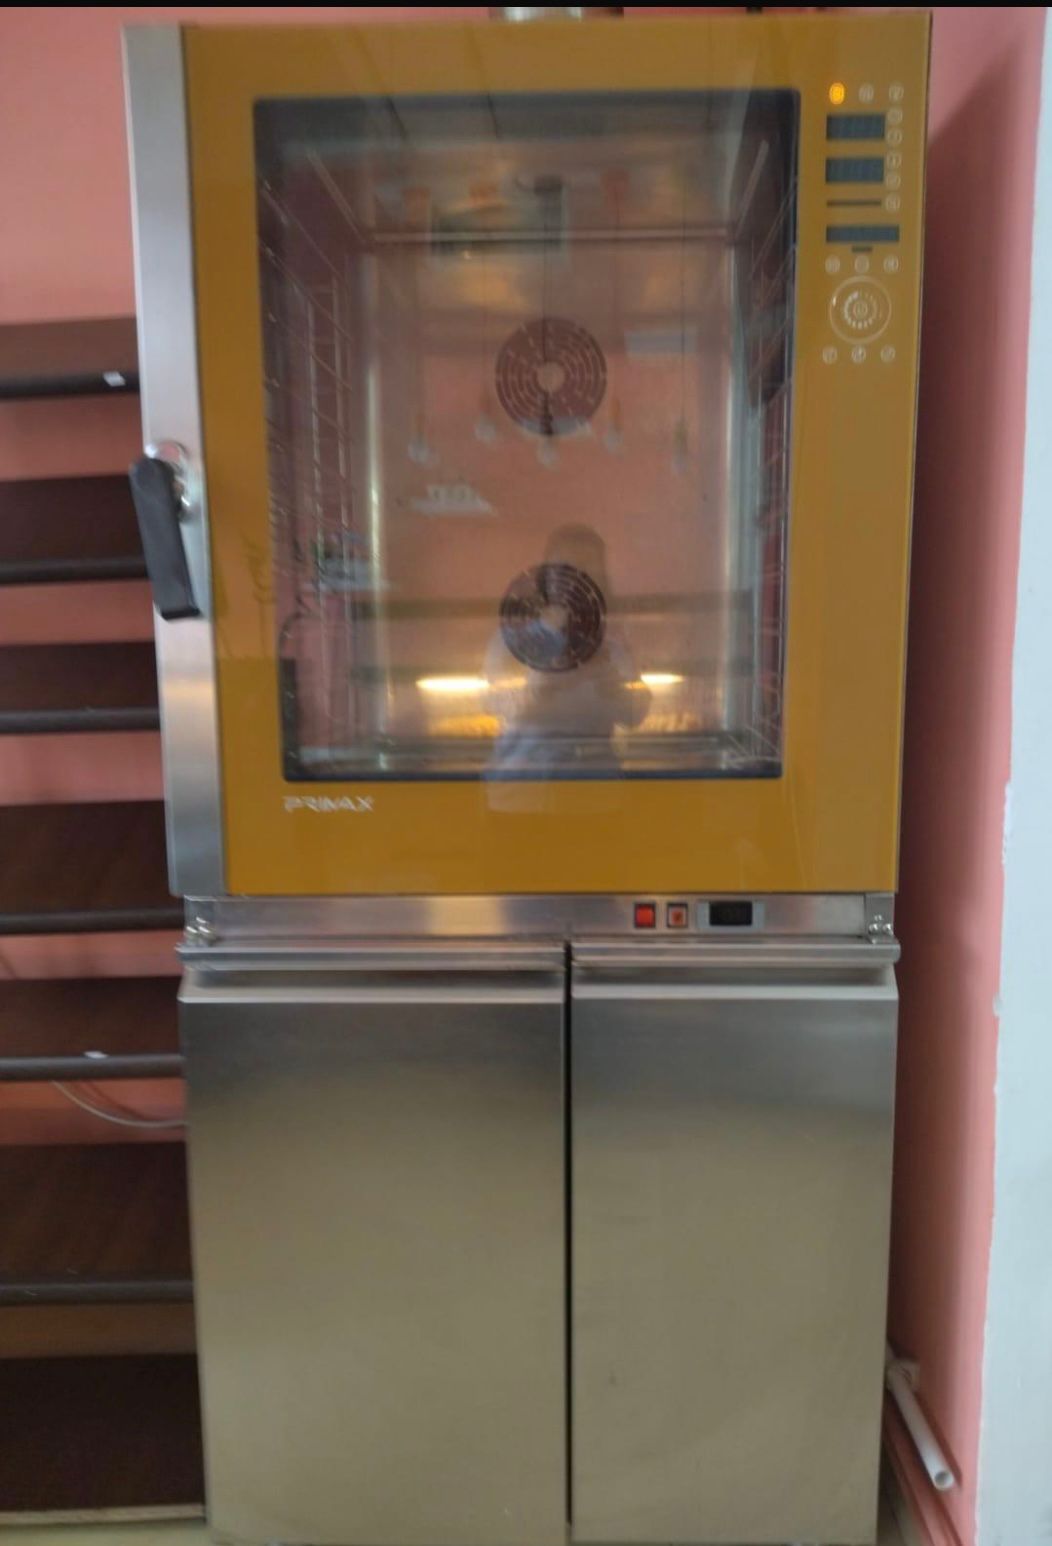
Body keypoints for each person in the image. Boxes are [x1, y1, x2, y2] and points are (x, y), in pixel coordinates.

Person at [485, 523, 650, 780]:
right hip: (526, 773)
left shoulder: (612, 639)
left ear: (599, 580)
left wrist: (615, 692)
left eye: (587, 571)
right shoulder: (515, 636)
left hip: (596, 775)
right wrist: (542, 689)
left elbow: (635, 715)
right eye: (566, 570)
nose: (575, 583)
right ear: (547, 577)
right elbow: (492, 702)